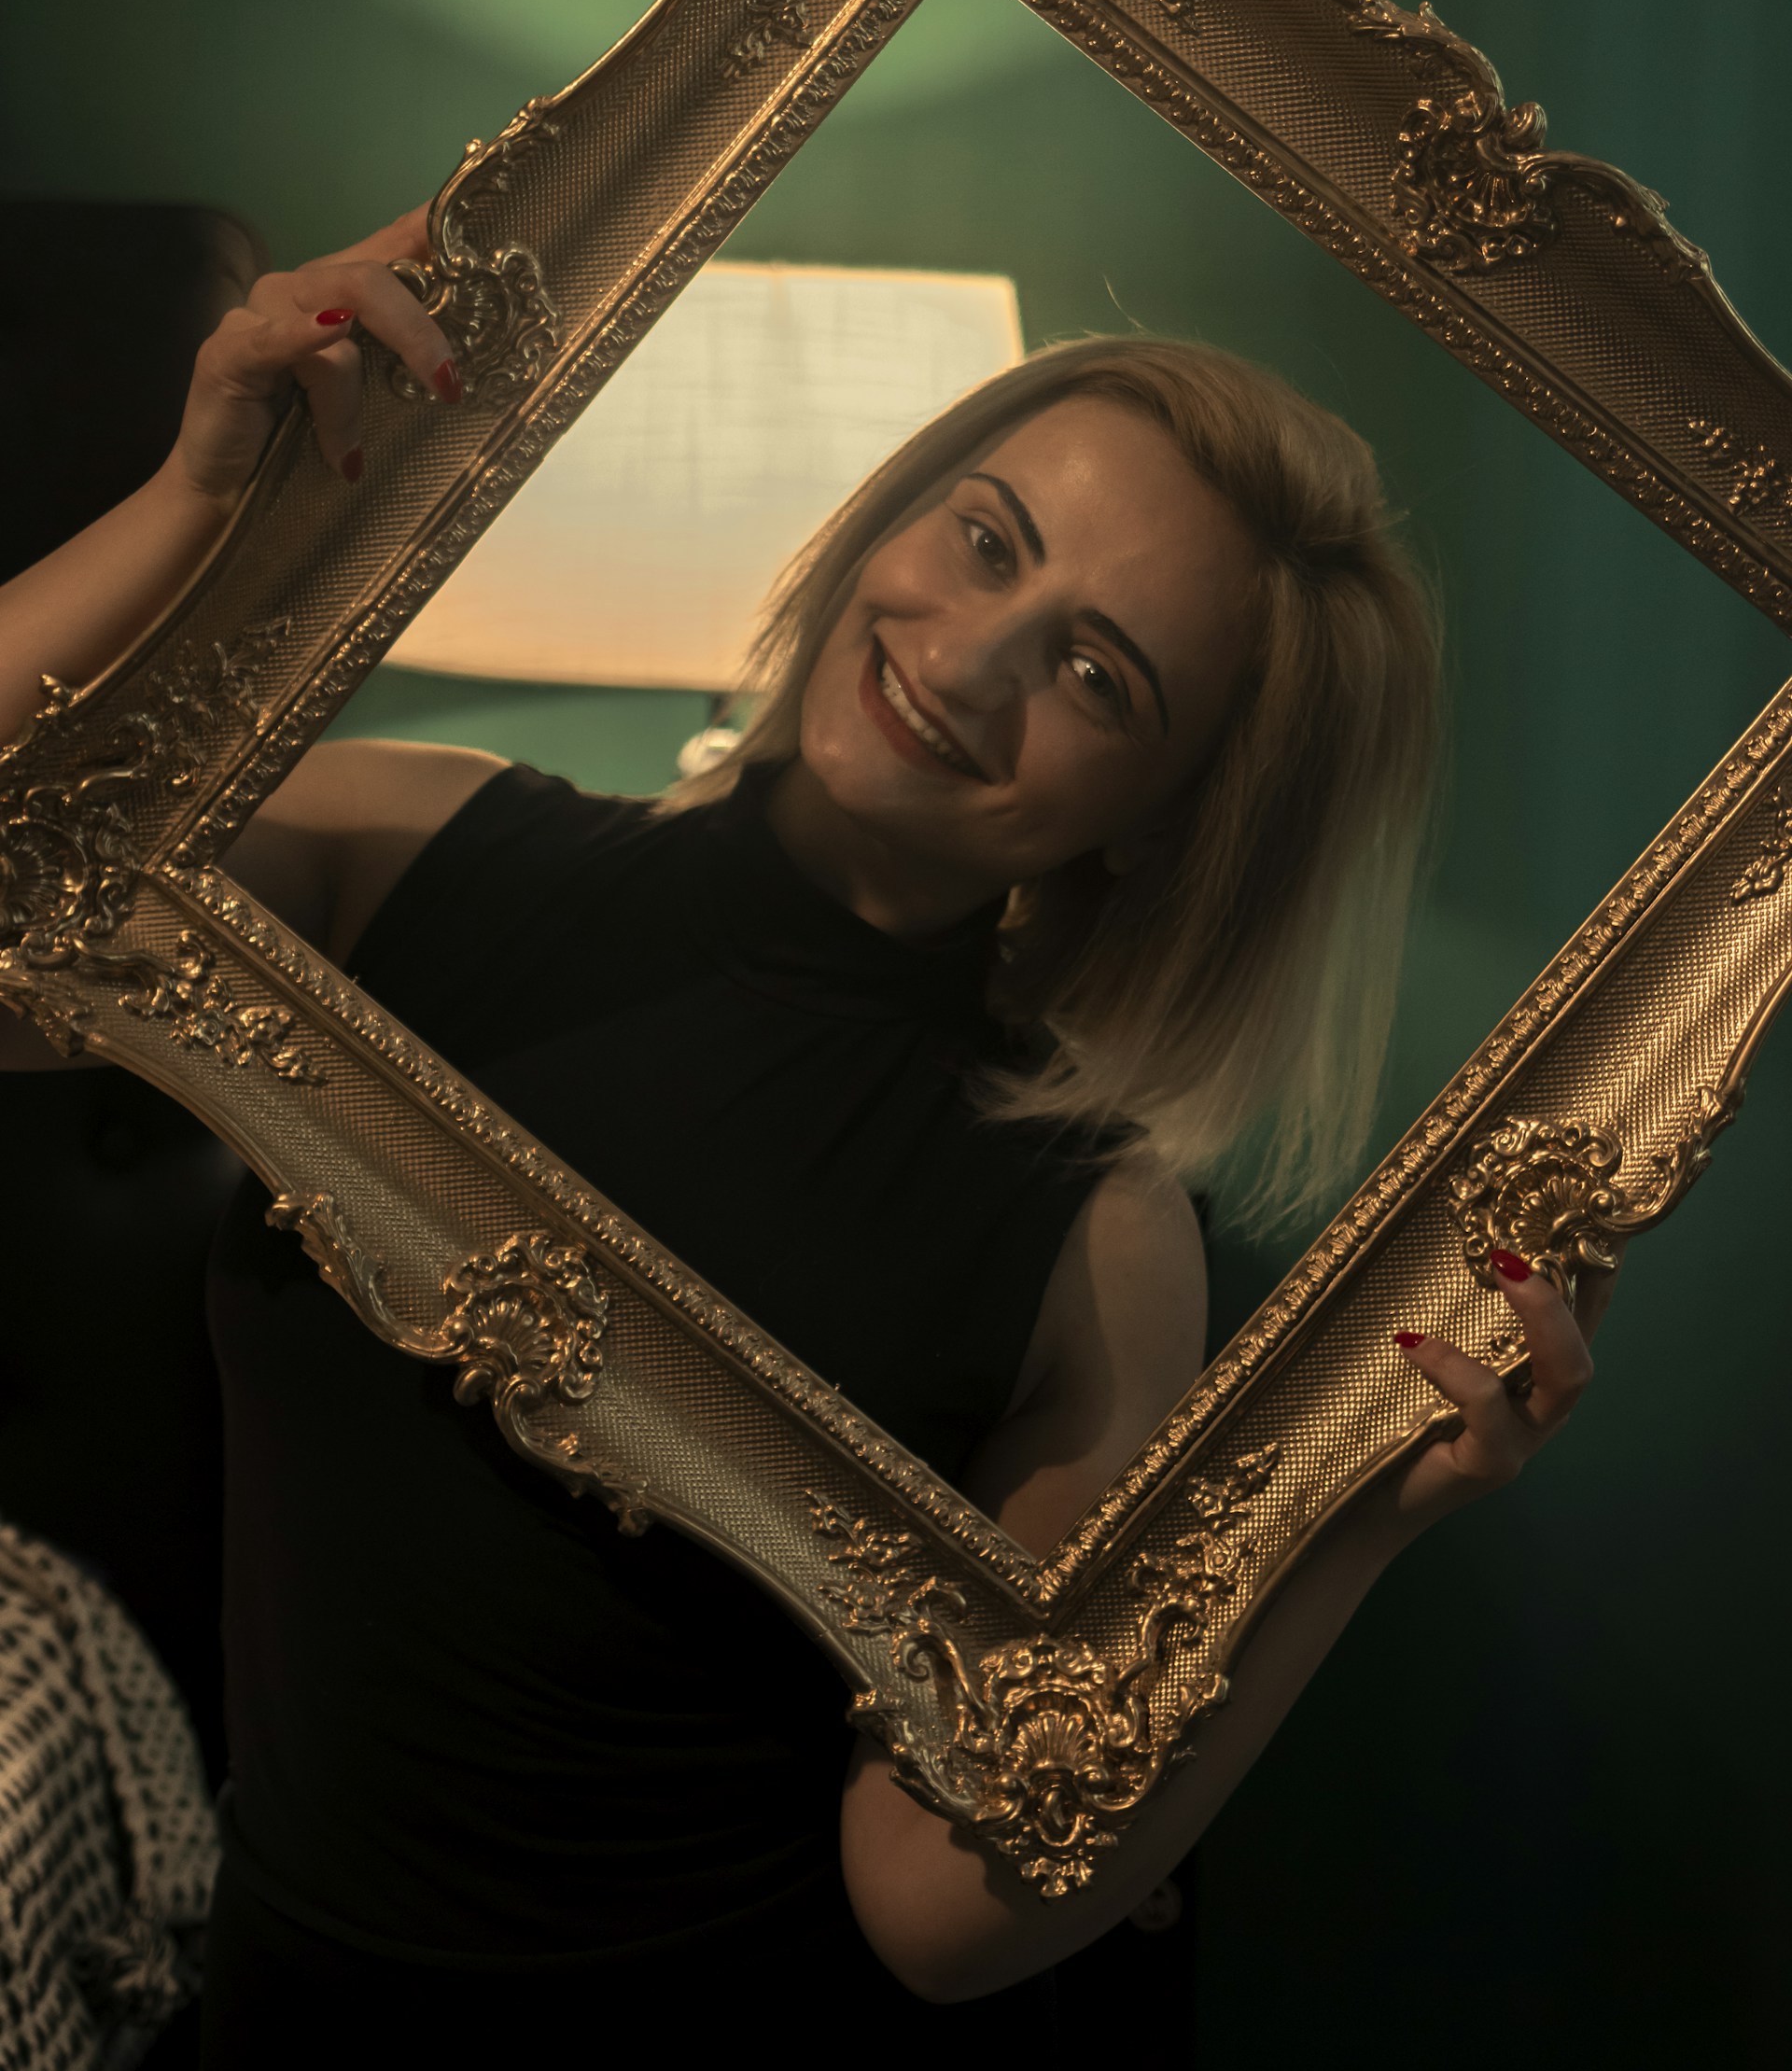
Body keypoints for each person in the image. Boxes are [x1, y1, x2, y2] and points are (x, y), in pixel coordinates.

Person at [0, 211, 1609, 2050]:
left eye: (1102, 678)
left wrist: (1346, 1530)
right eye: (984, 538)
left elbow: (938, 1908)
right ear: (895, 507)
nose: (977, 656)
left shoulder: (1093, 1236)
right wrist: (195, 508)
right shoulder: (411, 860)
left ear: (1161, 819)